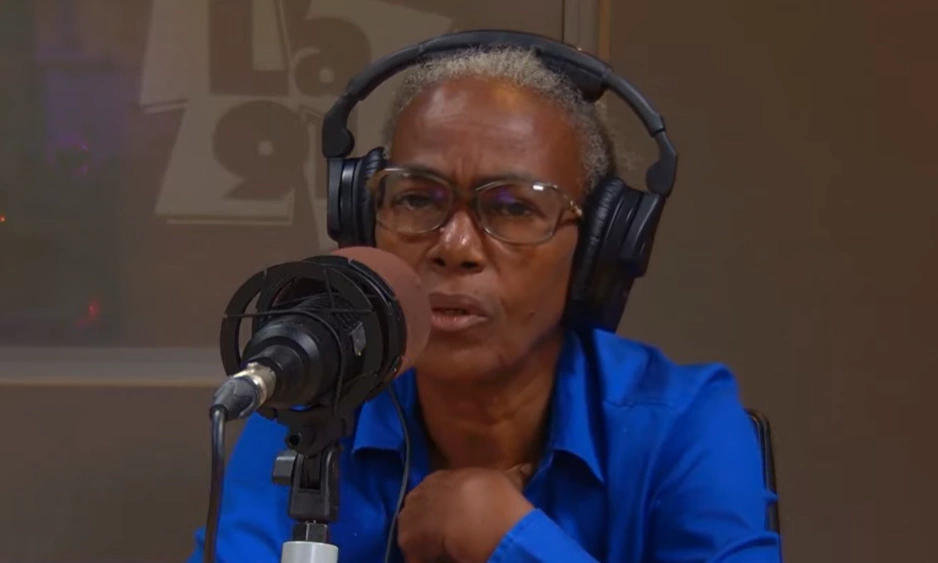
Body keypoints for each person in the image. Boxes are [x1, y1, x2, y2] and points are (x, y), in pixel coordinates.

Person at [187, 45, 781, 563]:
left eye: (514, 207)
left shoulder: (682, 426)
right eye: (418, 199)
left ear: (595, 249)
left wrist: (508, 539)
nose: (455, 247)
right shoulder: (313, 408)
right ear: (365, 223)